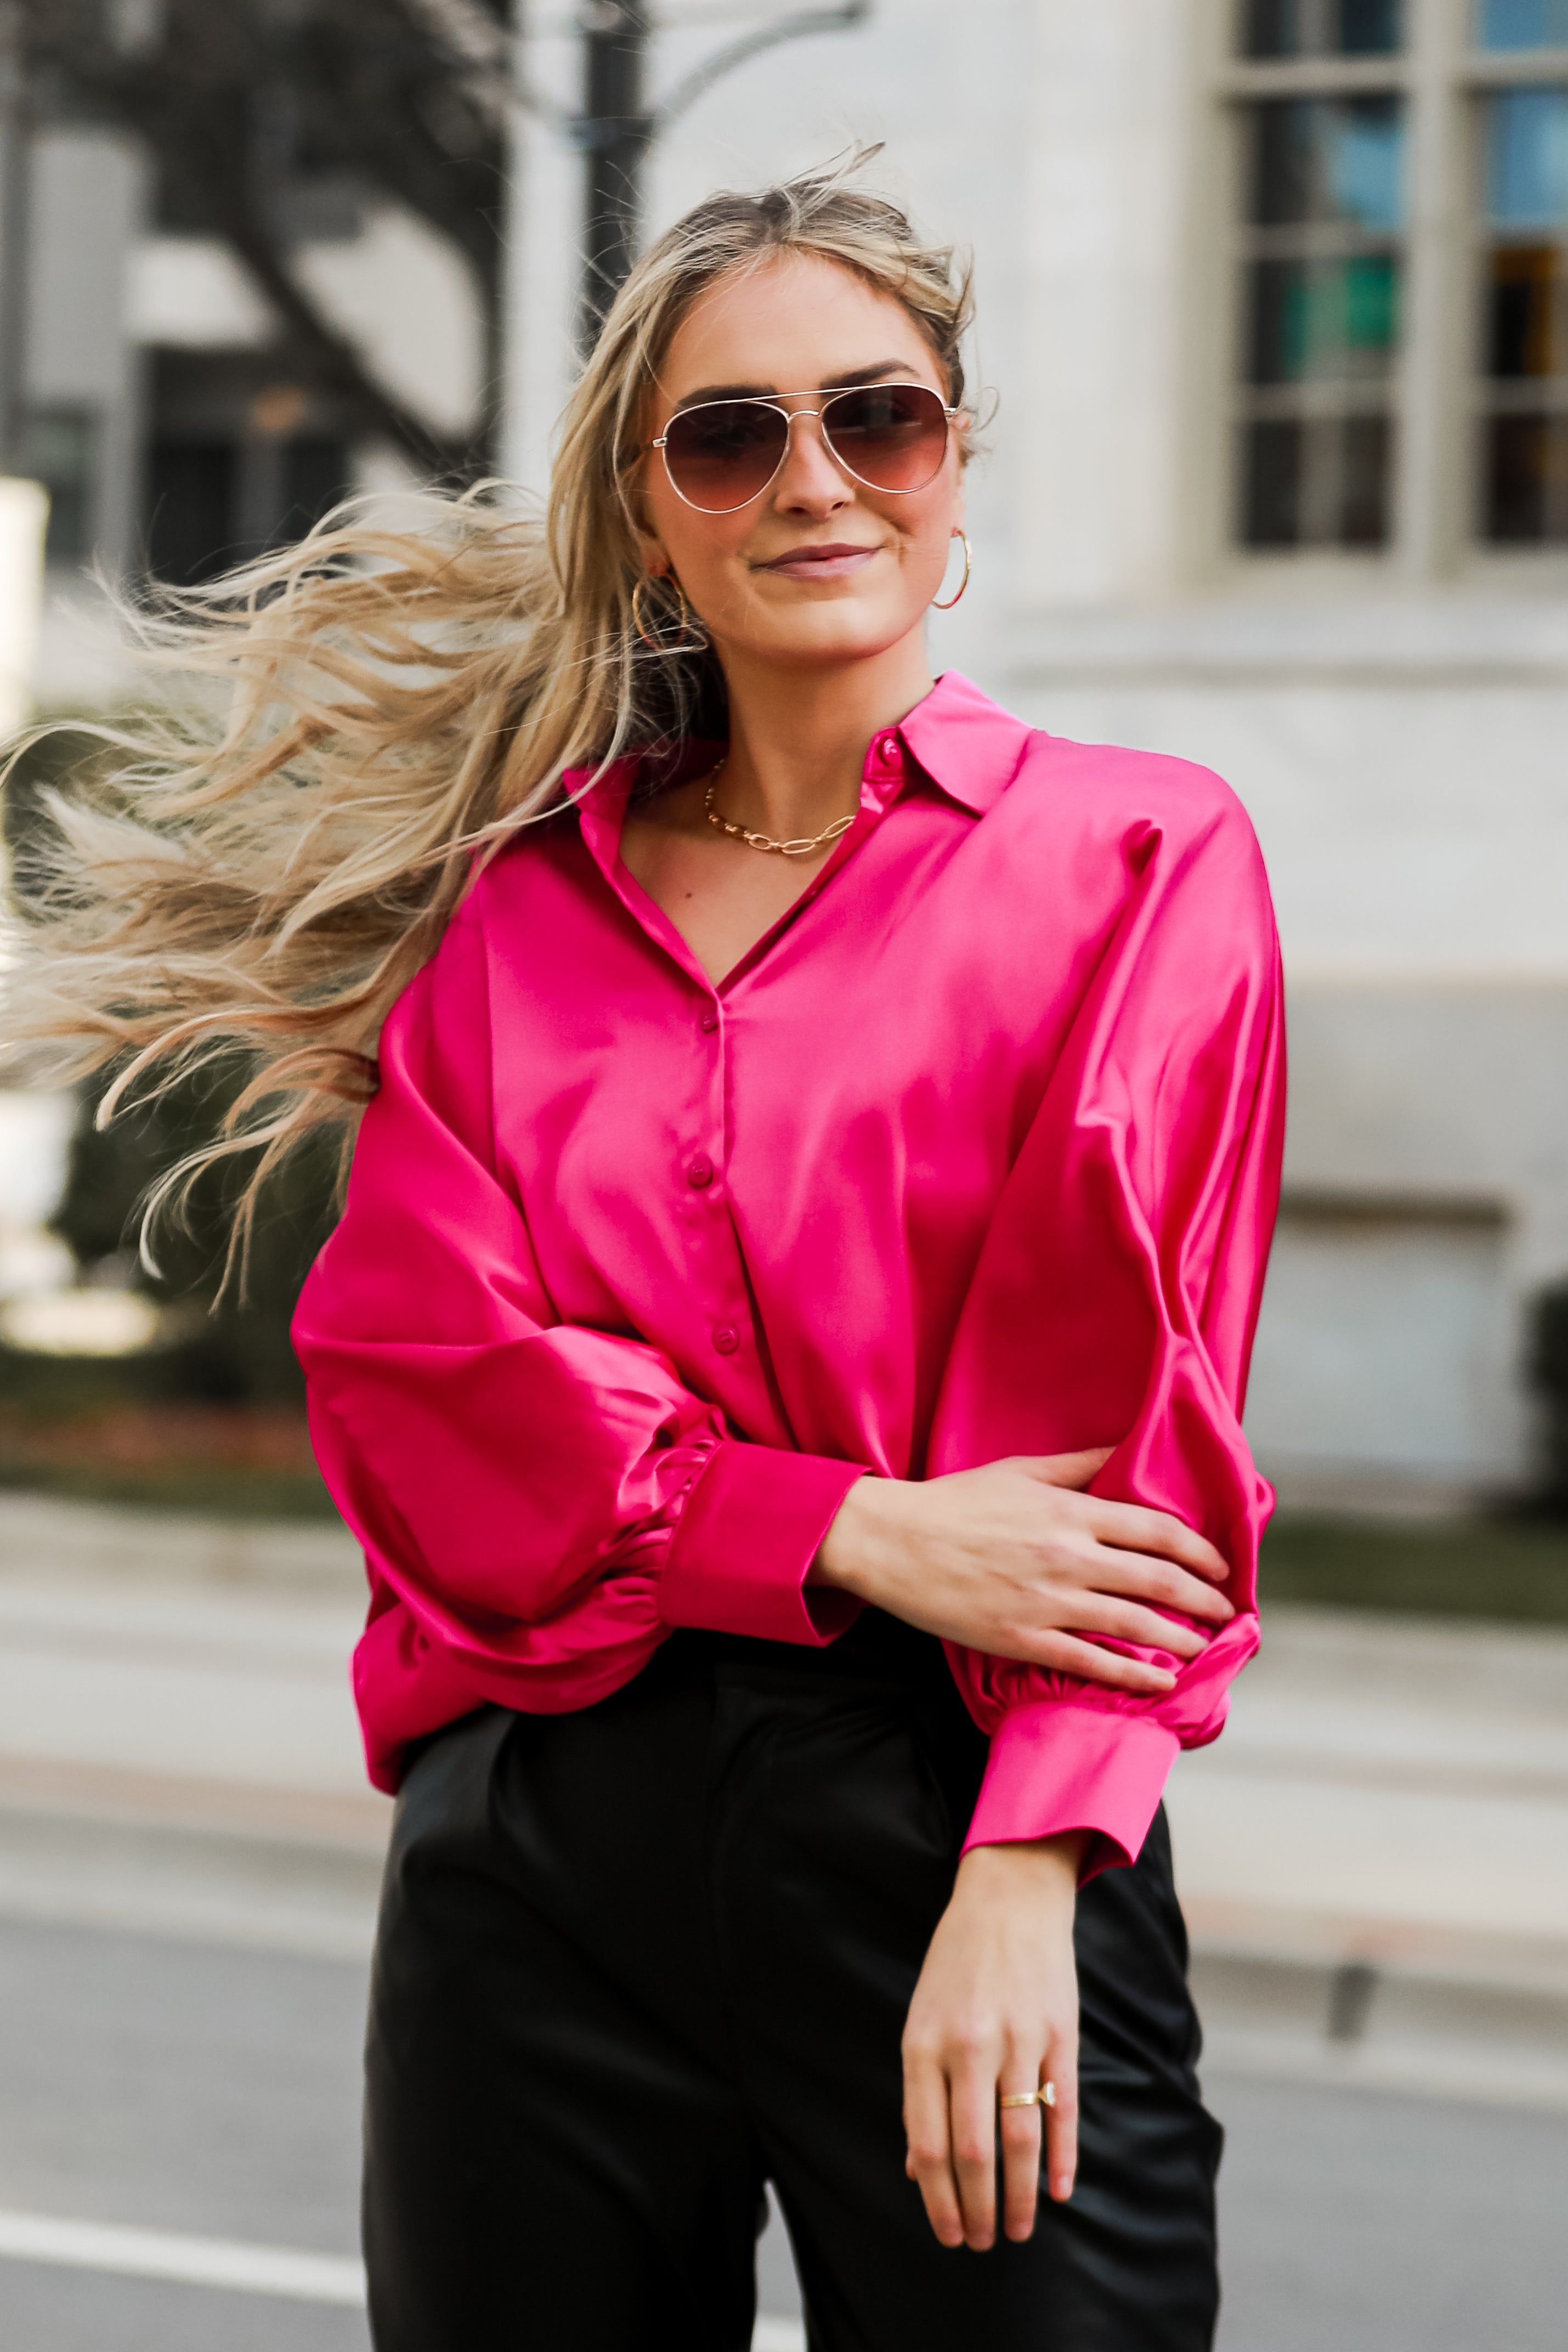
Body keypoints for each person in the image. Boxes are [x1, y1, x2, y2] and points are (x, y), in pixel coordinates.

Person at [4, 158, 1283, 2351]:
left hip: (948, 1815)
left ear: (951, 455)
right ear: (646, 503)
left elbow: (1127, 1448)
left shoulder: (1136, 857)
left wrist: (1021, 1882)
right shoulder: (520, 917)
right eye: (729, 433)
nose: (813, 479)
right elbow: (425, 1381)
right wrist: (852, 1521)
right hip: (541, 1843)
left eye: (874, 416)